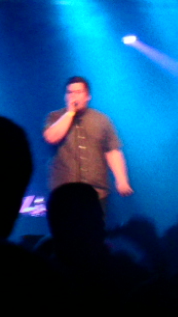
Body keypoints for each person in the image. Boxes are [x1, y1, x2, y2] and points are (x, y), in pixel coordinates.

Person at [43, 76, 132, 219]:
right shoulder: (54, 117)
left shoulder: (102, 120)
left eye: (78, 92)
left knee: (94, 229)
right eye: (70, 92)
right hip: (64, 193)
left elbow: (112, 151)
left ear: (87, 96)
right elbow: (51, 137)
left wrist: (121, 180)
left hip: (97, 193)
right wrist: (70, 113)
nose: (73, 96)